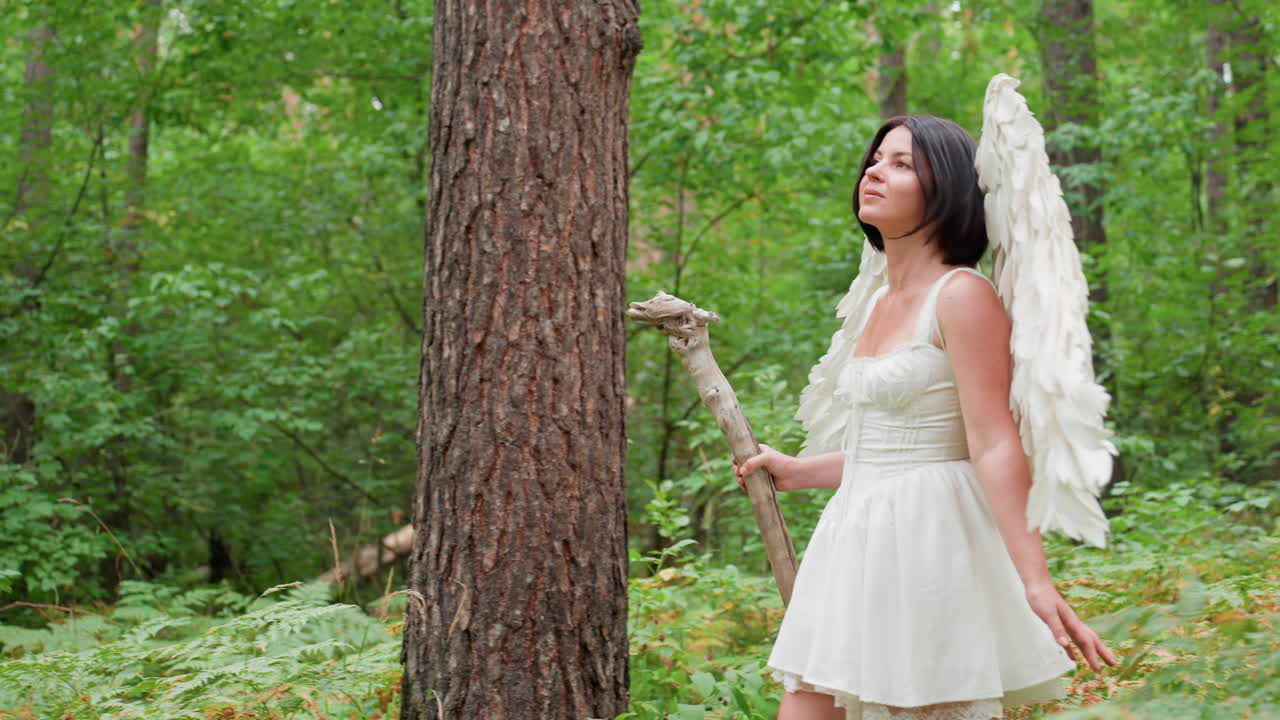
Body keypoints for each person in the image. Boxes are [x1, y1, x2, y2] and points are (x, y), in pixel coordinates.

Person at [734, 115, 1118, 720]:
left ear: (948, 192)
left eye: (902, 163)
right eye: (876, 158)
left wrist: (1036, 580)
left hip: (928, 544)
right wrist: (801, 470)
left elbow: (990, 443)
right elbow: (895, 443)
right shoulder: (881, 301)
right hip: (854, 539)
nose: (874, 171)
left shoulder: (963, 295)